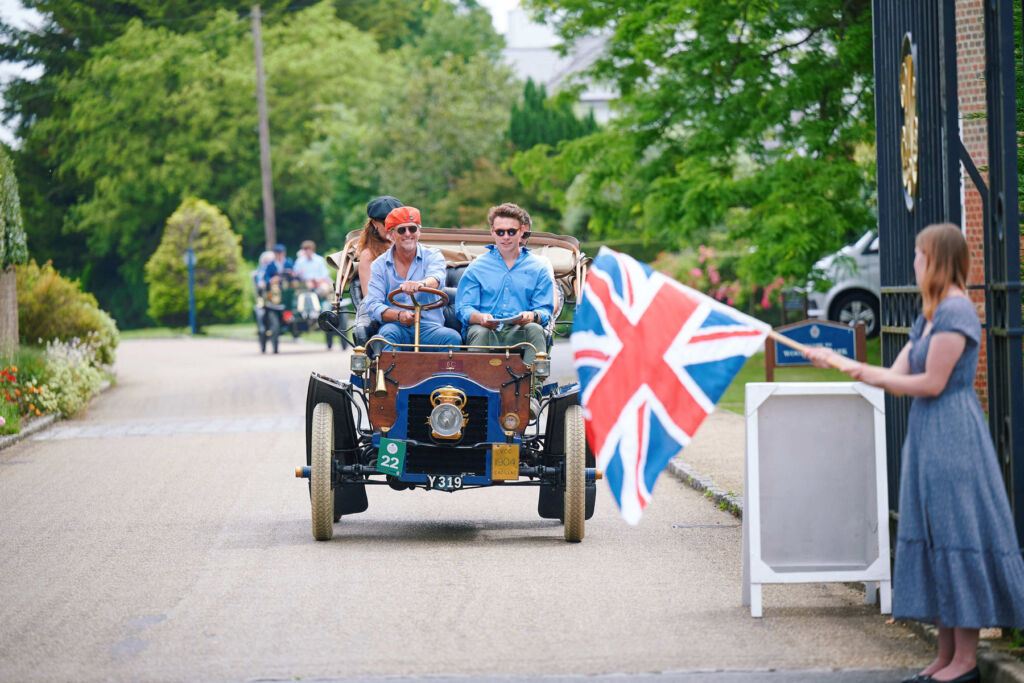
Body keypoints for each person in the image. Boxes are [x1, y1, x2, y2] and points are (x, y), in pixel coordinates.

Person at [804, 223, 1024, 683]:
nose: (914, 262)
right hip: (927, 435)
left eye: (920, 255)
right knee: (936, 535)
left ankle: (965, 662)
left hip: (953, 436)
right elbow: (896, 372)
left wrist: (855, 368)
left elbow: (930, 383)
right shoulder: (929, 315)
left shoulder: (958, 311)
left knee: (956, 536)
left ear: (939, 260)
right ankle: (945, 658)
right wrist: (841, 361)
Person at [455, 202, 553, 365]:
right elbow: (464, 308)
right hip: (485, 329)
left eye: (511, 231)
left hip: (520, 329)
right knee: (479, 331)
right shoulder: (477, 267)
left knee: (535, 329)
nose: (506, 237)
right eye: (500, 232)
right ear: (492, 232)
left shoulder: (538, 269)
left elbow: (544, 310)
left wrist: (532, 316)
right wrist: (480, 318)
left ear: (521, 231)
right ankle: (478, 387)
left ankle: (533, 387)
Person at [362, 206, 462, 353]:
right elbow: (372, 304)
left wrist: (420, 284)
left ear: (419, 232)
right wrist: (399, 315)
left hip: (428, 326)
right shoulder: (379, 265)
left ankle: (444, 376)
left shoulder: (433, 256)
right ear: (391, 234)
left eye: (412, 229)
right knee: (386, 336)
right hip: (396, 327)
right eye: (402, 230)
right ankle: (390, 375)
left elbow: (436, 278)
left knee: (452, 338)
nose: (408, 234)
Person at [357, 196, 403, 298]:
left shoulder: (414, 248)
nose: (393, 228)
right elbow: (370, 299)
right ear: (374, 223)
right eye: (387, 223)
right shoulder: (369, 255)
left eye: (397, 223)